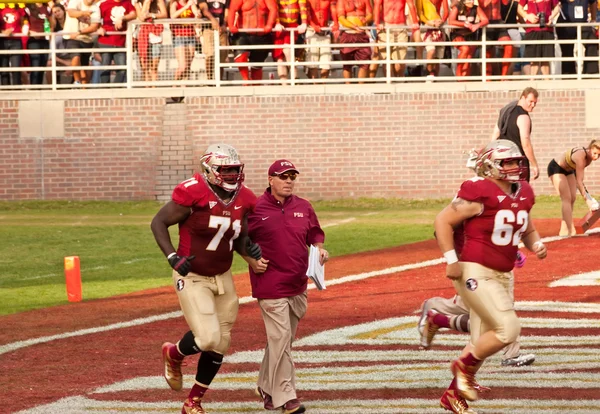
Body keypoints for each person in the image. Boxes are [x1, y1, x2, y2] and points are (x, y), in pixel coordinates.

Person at [434, 139, 547, 414]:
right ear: (489, 166)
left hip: (503, 273)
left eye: (516, 161)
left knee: (482, 339)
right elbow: (442, 221)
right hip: (476, 271)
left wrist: (536, 244)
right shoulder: (479, 191)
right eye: (507, 162)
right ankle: (463, 368)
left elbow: (526, 226)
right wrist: (451, 260)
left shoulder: (523, 192)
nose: (515, 167)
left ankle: (452, 394)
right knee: (508, 329)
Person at [151, 143, 262, 414]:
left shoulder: (245, 197)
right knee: (209, 338)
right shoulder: (194, 191)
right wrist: (172, 256)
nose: (233, 175)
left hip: (223, 275)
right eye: (226, 170)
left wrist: (250, 249)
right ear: (210, 170)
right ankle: (174, 354)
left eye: (235, 170)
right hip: (192, 275)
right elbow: (158, 222)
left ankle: (193, 402)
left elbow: (238, 236)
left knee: (221, 342)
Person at [246, 159, 328, 414]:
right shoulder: (255, 208)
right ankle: (286, 397)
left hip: (297, 283)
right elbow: (238, 238)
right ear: (270, 180)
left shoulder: (304, 206)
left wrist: (319, 250)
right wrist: (250, 260)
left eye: (292, 176)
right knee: (280, 338)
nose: (289, 181)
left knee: (282, 342)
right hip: (270, 284)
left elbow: (314, 233)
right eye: (283, 176)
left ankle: (266, 388)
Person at [418, 293, 537, 367]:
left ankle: (437, 313)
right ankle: (512, 355)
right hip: (484, 267)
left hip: (495, 265)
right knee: (498, 311)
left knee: (476, 308)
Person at [548, 140, 600, 236]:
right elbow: (579, 181)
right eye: (595, 153)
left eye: (599, 155)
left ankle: (563, 230)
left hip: (569, 170)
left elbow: (579, 179)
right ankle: (570, 230)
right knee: (566, 198)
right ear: (590, 149)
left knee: (572, 198)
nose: (596, 157)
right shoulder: (581, 157)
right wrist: (588, 201)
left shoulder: (589, 160)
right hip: (556, 167)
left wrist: (589, 198)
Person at [492, 86, 540, 181]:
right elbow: (525, 144)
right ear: (522, 98)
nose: (533, 105)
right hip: (518, 162)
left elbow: (496, 134)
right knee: (521, 192)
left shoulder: (506, 111)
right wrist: (535, 165)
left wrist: (492, 155)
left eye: (535, 102)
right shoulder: (523, 116)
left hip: (502, 160)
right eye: (530, 101)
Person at [227, 0, 278, 84]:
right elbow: (232, 9)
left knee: (257, 65)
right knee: (240, 56)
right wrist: (231, 25)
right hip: (244, 34)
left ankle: (256, 86)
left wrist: (269, 24)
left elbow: (273, 9)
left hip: (262, 34)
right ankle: (246, 79)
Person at [373, 0, 419, 78]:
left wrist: (415, 22)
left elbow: (411, 5)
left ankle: (401, 81)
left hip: (400, 27)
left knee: (399, 63)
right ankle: (389, 84)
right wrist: (377, 23)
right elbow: (377, 5)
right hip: (385, 27)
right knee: (386, 61)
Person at [517, 0, 560, 78]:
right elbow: (519, 8)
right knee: (534, 61)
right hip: (532, 30)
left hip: (547, 29)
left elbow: (557, 7)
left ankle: (547, 85)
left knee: (546, 60)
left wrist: (552, 16)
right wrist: (527, 16)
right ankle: (532, 83)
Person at [96, 0, 136, 84]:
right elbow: (96, 20)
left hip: (120, 42)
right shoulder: (104, 4)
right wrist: (99, 28)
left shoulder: (127, 3)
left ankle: (116, 90)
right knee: (105, 68)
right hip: (106, 40)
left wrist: (122, 18)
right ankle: (105, 91)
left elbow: (134, 14)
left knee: (122, 69)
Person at [555, 0, 598, 76]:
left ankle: (590, 73)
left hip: (583, 22)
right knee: (567, 49)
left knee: (592, 42)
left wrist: (593, 19)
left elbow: (593, 2)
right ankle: (568, 75)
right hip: (566, 22)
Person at [447, 0, 489, 78]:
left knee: (469, 58)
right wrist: (464, 24)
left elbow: (485, 20)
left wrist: (477, 25)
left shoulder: (476, 8)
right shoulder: (457, 7)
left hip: (470, 35)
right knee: (465, 49)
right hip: (458, 34)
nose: (472, 2)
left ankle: (464, 79)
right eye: (470, 0)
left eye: (473, 0)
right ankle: (458, 71)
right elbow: (450, 21)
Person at [64, 0, 101, 86]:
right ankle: (77, 81)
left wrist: (79, 32)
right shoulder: (75, 1)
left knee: (84, 67)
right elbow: (71, 13)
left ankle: (84, 89)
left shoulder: (95, 8)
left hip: (87, 39)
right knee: (75, 57)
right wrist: (84, 13)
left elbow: (94, 27)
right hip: (72, 37)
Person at [272, 0, 308, 83]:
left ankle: (295, 79)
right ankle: (284, 83)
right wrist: (277, 23)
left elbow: (303, 9)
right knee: (280, 58)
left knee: (288, 51)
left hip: (292, 26)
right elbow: (274, 8)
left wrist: (304, 23)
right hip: (279, 28)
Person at [337, 0, 373, 81]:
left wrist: (365, 19)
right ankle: (348, 89)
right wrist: (353, 26)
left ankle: (361, 89)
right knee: (347, 63)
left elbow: (370, 14)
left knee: (365, 62)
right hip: (348, 34)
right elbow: (341, 18)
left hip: (361, 34)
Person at [133, 0, 168, 84]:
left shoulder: (159, 2)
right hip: (142, 37)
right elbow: (141, 17)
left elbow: (165, 15)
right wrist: (146, 3)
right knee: (145, 67)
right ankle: (146, 88)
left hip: (156, 37)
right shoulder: (137, 3)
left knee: (154, 67)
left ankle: (154, 88)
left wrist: (152, 15)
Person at [415, 0, 449, 78]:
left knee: (437, 56)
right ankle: (429, 74)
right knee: (431, 50)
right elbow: (420, 14)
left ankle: (435, 79)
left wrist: (442, 21)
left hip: (439, 25)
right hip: (427, 26)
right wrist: (430, 23)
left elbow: (446, 11)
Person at [305, 0, 338, 79]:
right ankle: (316, 86)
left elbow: (333, 10)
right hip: (311, 31)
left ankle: (322, 85)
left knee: (326, 62)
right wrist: (313, 25)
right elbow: (306, 13)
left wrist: (336, 23)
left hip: (325, 31)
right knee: (312, 62)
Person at [170, 0, 201, 83]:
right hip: (179, 37)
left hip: (190, 36)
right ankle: (174, 86)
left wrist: (197, 14)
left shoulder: (191, 3)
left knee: (188, 66)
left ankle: (184, 87)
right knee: (182, 66)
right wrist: (186, 6)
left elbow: (196, 15)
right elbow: (173, 16)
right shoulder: (175, 4)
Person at [198, 0, 229, 81]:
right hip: (208, 29)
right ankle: (210, 79)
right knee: (210, 55)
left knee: (222, 57)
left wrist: (224, 24)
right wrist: (213, 20)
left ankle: (219, 80)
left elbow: (227, 13)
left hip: (221, 30)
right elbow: (204, 10)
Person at [25, 3, 54, 85]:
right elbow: (24, 25)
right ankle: (33, 90)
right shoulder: (28, 8)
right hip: (33, 40)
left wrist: (49, 33)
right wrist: (31, 32)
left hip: (44, 40)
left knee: (42, 67)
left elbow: (52, 25)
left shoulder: (47, 8)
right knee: (35, 66)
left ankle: (39, 89)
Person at [0, 3, 27, 86]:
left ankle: (16, 93)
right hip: (2, 41)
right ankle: (6, 92)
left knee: (16, 68)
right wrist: (3, 32)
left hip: (16, 41)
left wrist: (26, 28)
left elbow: (23, 21)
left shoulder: (19, 7)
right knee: (4, 68)